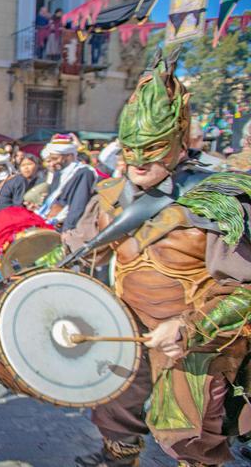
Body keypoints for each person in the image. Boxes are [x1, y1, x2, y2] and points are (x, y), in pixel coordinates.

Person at [70, 53, 251, 467]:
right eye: (130, 150)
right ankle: (120, 459)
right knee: (114, 413)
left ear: (179, 140)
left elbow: (246, 291)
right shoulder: (111, 196)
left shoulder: (217, 201)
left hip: (194, 343)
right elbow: (79, 251)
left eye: (151, 149)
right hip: (124, 332)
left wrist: (188, 326)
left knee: (187, 434)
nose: (137, 161)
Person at [35, 134, 97, 232]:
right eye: (51, 159)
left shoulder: (84, 173)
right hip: (50, 221)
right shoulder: (58, 173)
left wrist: (66, 231)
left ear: (69, 156)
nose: (52, 163)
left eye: (55, 159)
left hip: (66, 228)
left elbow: (77, 206)